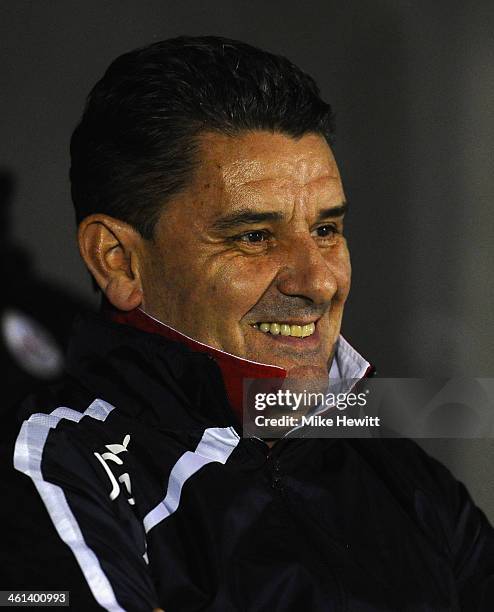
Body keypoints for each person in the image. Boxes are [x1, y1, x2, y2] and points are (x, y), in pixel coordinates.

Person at [11, 36, 494, 611]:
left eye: (325, 230)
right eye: (254, 236)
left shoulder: (397, 469)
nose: (317, 281)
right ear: (118, 259)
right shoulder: (49, 474)